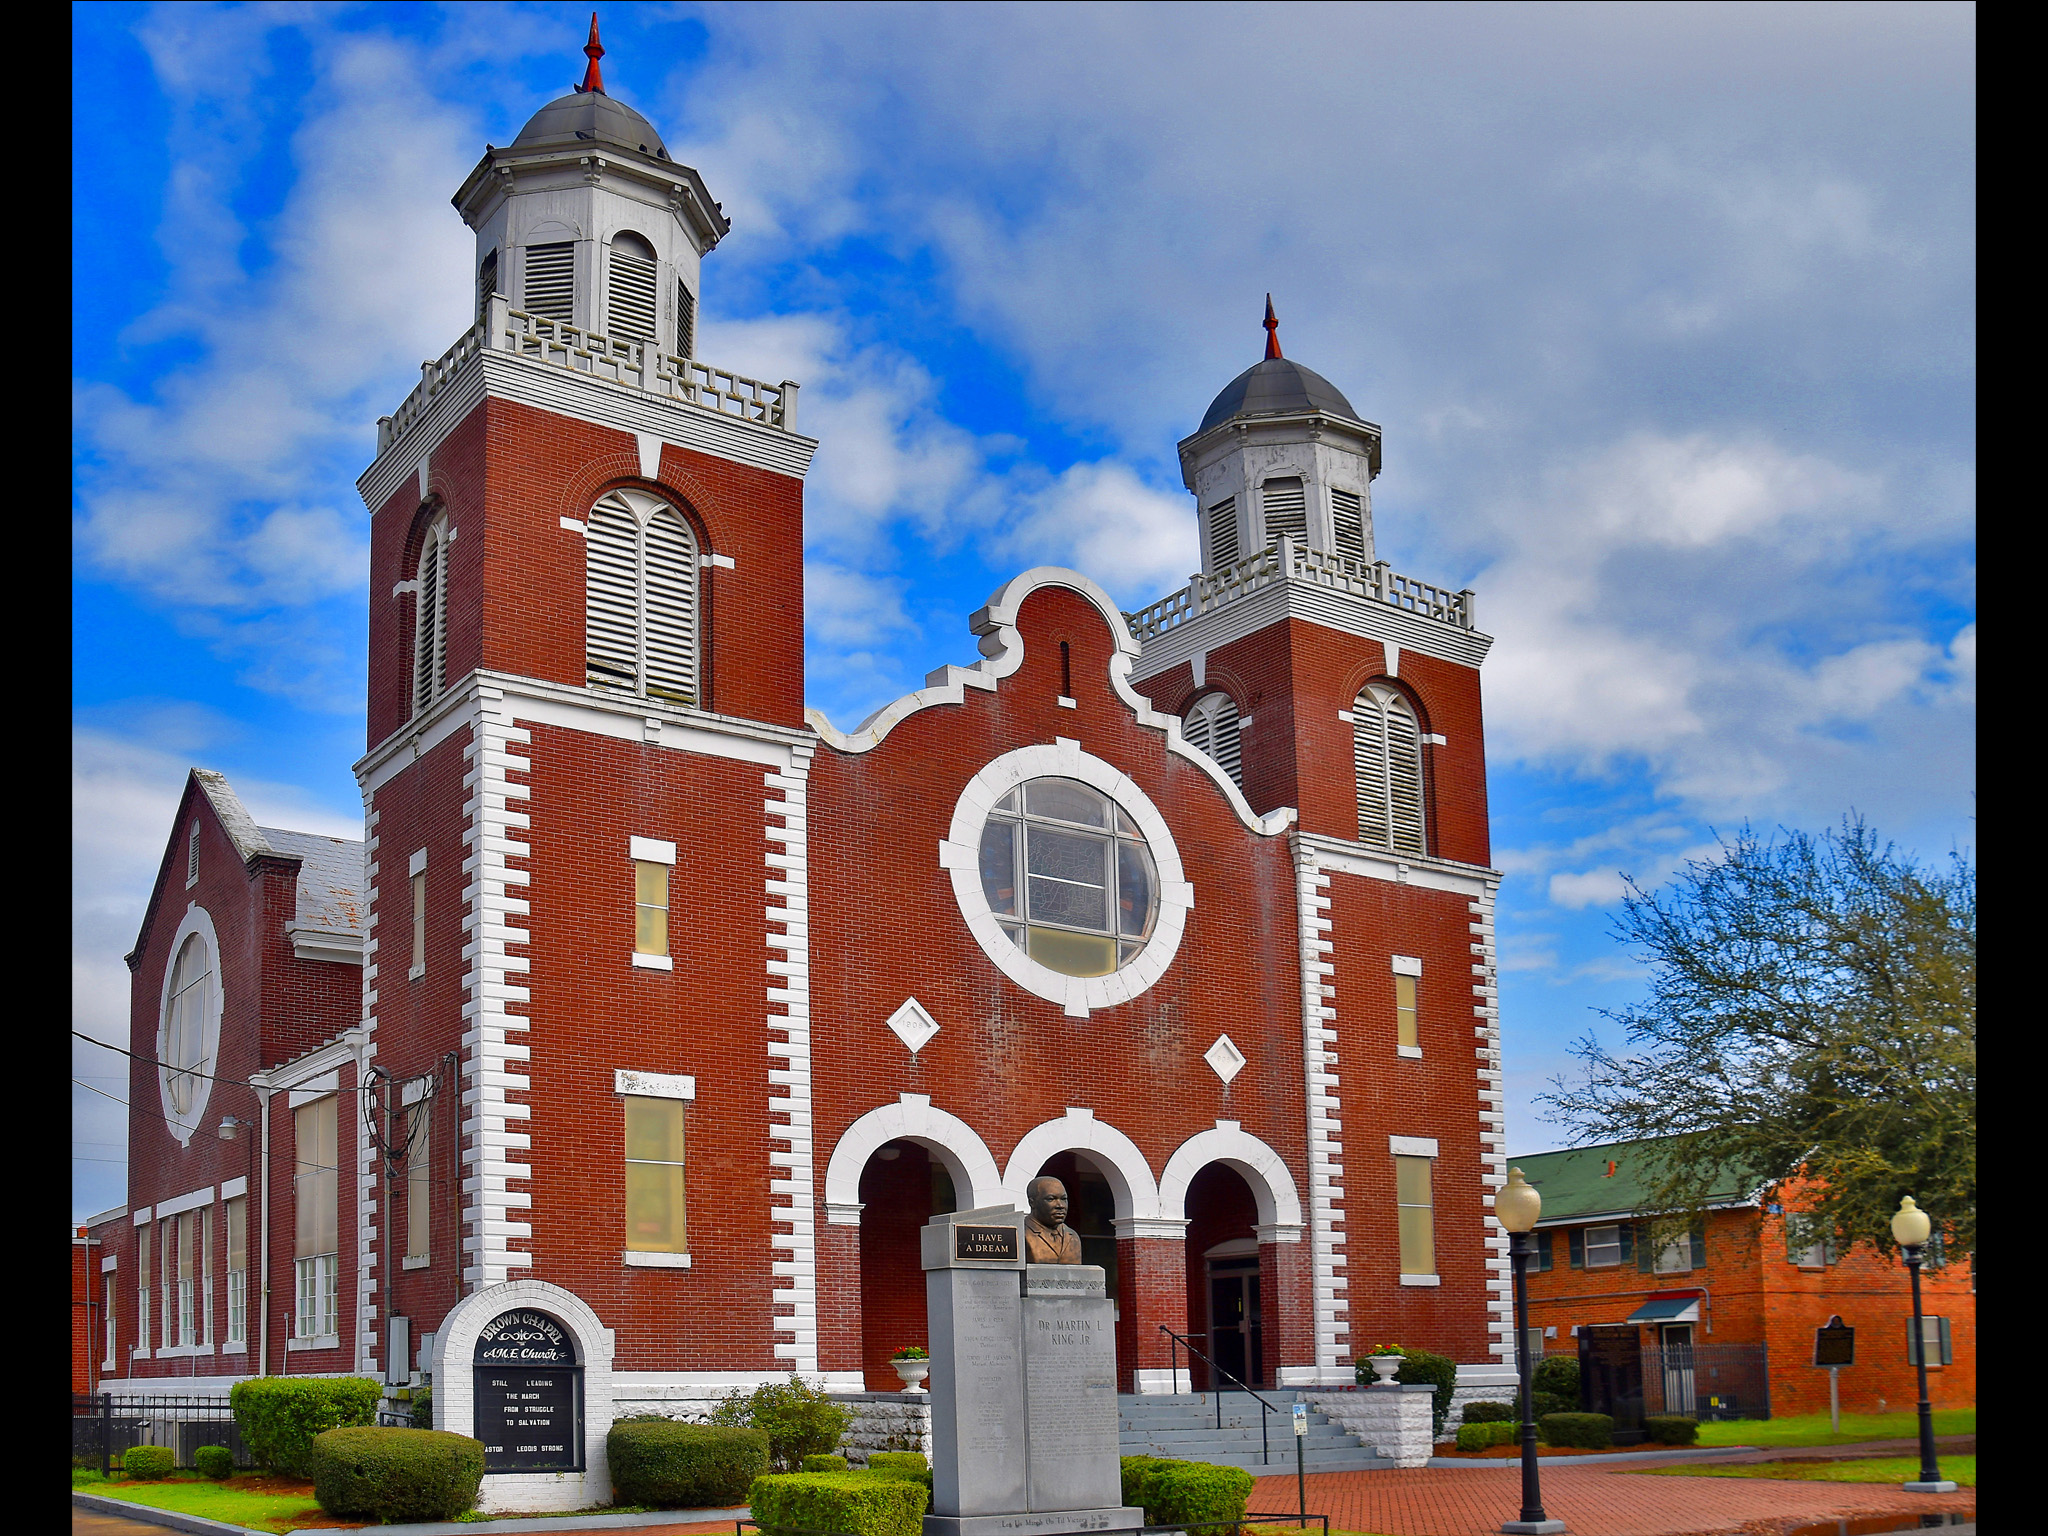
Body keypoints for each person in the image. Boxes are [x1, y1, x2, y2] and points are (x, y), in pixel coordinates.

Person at [1024, 1175, 1083, 1264]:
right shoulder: (1020, 1234)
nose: (1060, 1205)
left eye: (1063, 1199)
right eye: (1051, 1199)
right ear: (1032, 1202)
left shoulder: (1072, 1236)